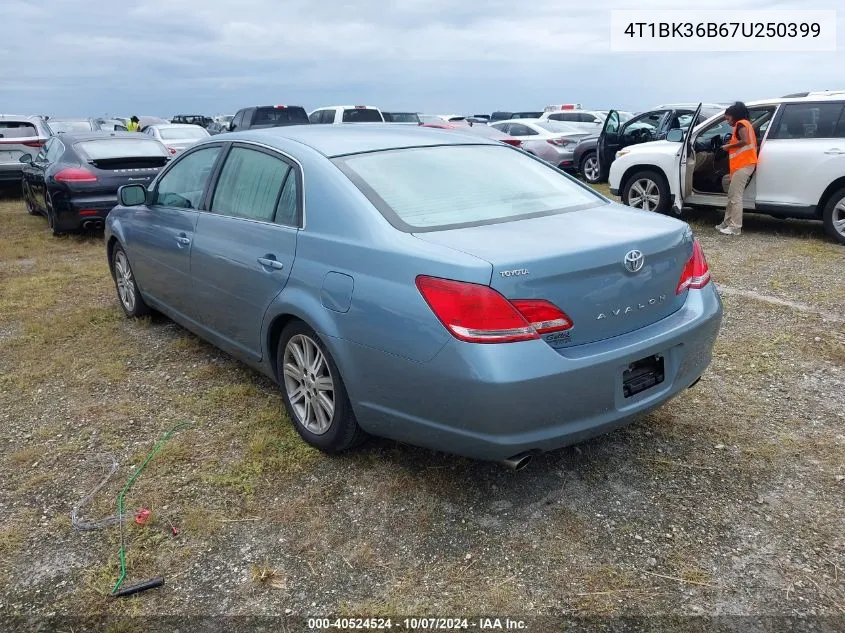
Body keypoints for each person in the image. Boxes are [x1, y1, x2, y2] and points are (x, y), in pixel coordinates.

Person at [717, 102, 757, 236]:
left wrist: (728, 147)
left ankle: (735, 227)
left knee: (735, 197)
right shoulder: (745, 123)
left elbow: (745, 141)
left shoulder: (741, 124)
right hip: (742, 165)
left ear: (734, 116)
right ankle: (727, 222)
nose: (727, 122)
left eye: (728, 119)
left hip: (744, 165)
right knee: (731, 195)